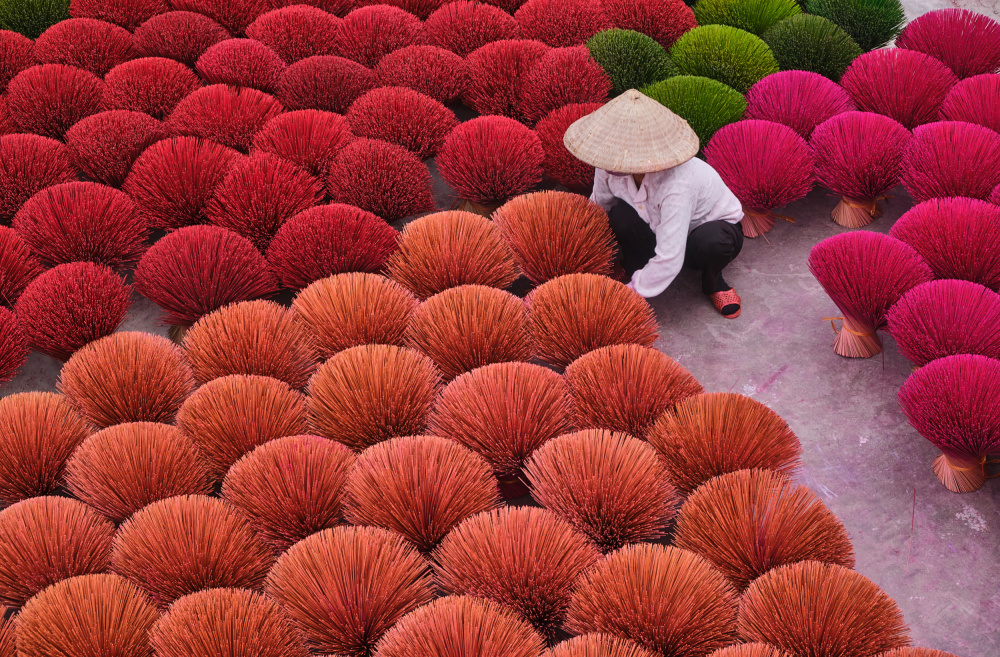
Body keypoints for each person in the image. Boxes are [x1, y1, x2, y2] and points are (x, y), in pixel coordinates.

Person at [563, 89, 745, 318]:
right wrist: (573, 246)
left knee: (711, 243)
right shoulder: (609, 161)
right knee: (620, 218)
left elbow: (670, 256)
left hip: (707, 229)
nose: (607, 162)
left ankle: (714, 282)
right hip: (656, 223)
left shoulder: (676, 185)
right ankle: (636, 267)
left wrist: (628, 295)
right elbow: (599, 205)